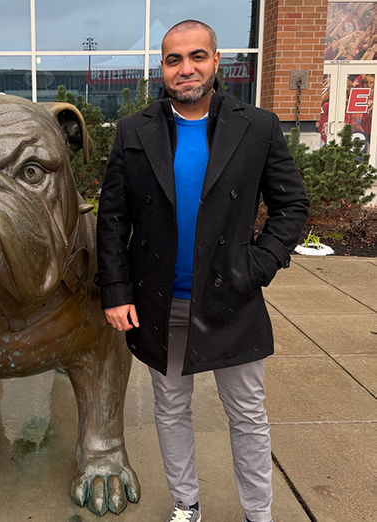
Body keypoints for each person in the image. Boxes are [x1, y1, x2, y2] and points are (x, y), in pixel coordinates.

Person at [94, 19, 309, 522]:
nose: (185, 69)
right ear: (162, 69)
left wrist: (258, 265)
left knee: (248, 417)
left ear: (216, 62)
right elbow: (113, 218)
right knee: (171, 410)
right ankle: (185, 505)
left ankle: (259, 514)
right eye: (173, 60)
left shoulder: (257, 125)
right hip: (160, 299)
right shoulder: (134, 130)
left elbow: (291, 206)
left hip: (232, 298)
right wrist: (115, 290)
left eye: (196, 57)